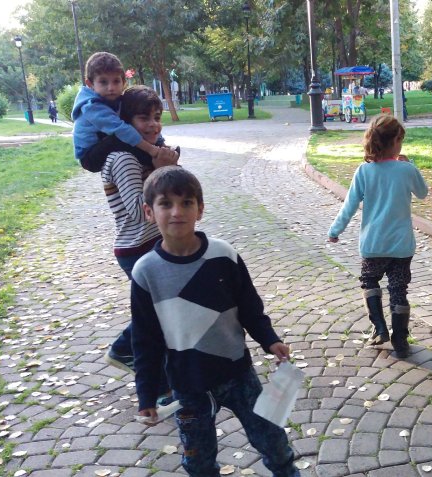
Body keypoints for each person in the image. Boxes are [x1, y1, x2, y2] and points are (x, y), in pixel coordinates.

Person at [132, 166, 299, 477]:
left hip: (238, 373)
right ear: (149, 212)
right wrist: (147, 394)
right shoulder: (146, 272)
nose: (177, 212)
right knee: (198, 460)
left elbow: (250, 306)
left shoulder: (223, 255)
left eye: (186, 203)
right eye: (166, 203)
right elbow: (145, 340)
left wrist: (270, 339)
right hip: (187, 384)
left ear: (200, 209)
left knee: (273, 440)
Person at [327, 115, 428, 358]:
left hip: (373, 244)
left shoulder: (364, 171)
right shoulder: (406, 170)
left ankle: (379, 328)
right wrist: (411, 165)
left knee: (369, 281)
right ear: (395, 141)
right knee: (398, 289)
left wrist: (335, 230)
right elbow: (423, 192)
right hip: (402, 246)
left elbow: (349, 206)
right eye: (400, 140)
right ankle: (400, 339)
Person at [100, 85, 179, 378]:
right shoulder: (124, 158)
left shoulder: (145, 154)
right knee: (160, 311)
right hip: (136, 248)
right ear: (125, 123)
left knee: (166, 310)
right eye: (144, 118)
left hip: (154, 243)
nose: (153, 125)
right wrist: (160, 171)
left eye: (157, 117)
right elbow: (139, 211)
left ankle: (168, 377)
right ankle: (125, 350)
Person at [72, 52, 178, 173]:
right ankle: (155, 158)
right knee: (120, 137)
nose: (111, 88)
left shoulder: (114, 100)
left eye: (116, 81)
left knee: (128, 128)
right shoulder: (91, 106)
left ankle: (164, 153)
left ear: (123, 82)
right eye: (103, 82)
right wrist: (152, 150)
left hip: (102, 141)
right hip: (89, 156)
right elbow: (121, 129)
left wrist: (161, 143)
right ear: (90, 84)